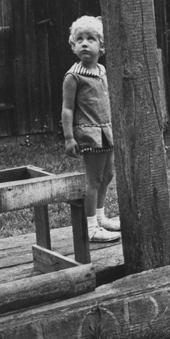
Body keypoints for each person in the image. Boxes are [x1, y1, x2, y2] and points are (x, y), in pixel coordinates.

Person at [61, 15, 120, 243]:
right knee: (93, 180)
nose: (85, 43)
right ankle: (90, 226)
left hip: (107, 131)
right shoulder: (74, 76)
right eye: (80, 39)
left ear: (101, 45)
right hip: (90, 133)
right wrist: (68, 138)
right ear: (73, 46)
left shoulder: (102, 71)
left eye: (91, 39)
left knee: (108, 176)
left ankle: (101, 217)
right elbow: (67, 108)